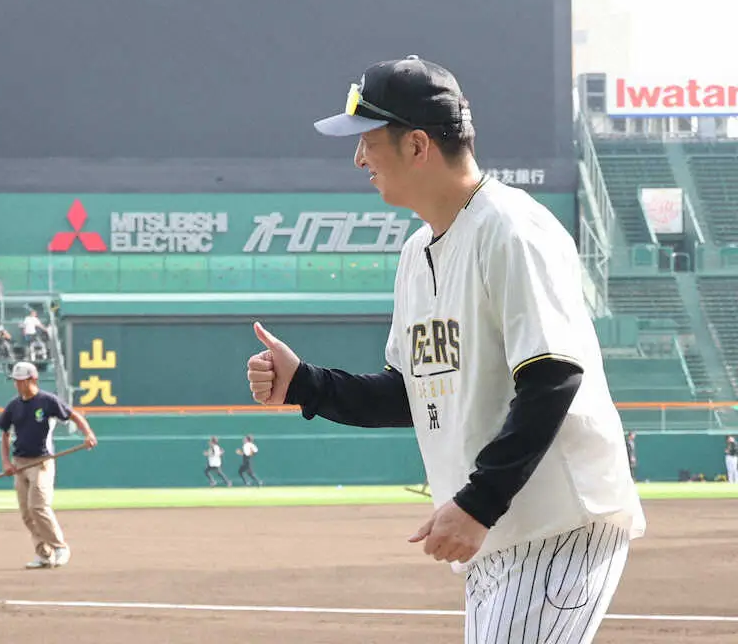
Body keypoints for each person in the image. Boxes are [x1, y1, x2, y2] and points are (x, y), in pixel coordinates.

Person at [245, 56, 645, 643]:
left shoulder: (511, 229)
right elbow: (412, 392)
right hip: (503, 531)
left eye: (366, 141)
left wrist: (479, 502)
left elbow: (554, 376)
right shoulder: (417, 254)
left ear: (416, 146)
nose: (358, 158)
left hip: (556, 520)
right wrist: (304, 384)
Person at [0, 361, 97, 569]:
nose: (17, 385)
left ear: (33, 379)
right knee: (26, 513)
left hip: (41, 462)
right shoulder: (14, 406)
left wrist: (87, 433)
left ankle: (60, 547)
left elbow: (73, 415)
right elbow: (5, 434)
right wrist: (6, 462)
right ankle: (44, 554)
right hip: (20, 463)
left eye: (21, 381)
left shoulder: (47, 401)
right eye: (16, 381)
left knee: (38, 506)